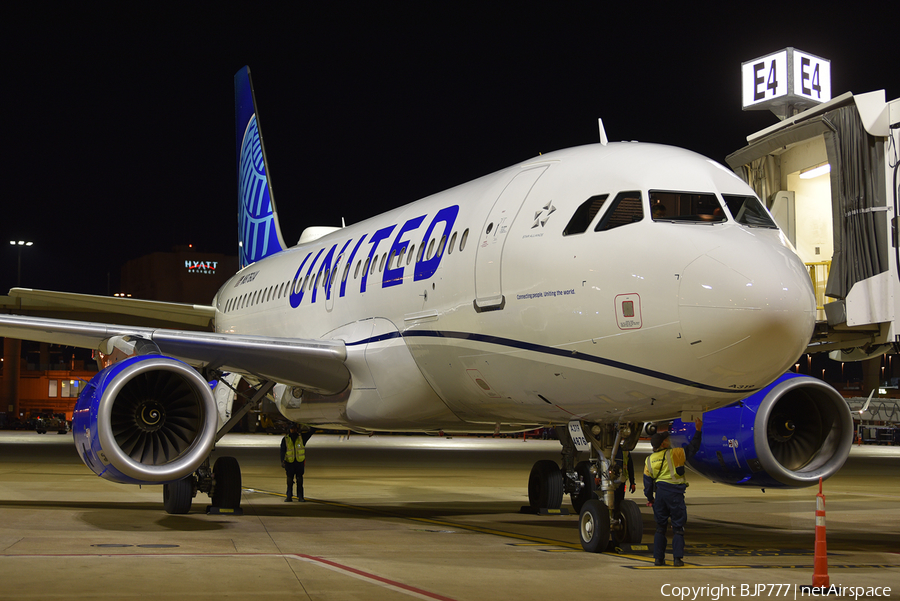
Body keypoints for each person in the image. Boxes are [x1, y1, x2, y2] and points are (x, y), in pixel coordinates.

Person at [643, 419, 702, 566]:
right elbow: (693, 448)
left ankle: (658, 559)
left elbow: (647, 484)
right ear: (663, 444)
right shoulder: (676, 454)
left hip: (660, 495)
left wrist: (651, 499)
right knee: (678, 528)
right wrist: (698, 430)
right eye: (666, 439)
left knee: (660, 528)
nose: (669, 440)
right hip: (675, 494)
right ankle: (677, 559)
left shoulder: (649, 460)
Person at [281, 424, 313, 502]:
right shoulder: (285, 439)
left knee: (299, 480)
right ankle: (289, 496)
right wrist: (282, 460)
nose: (293, 430)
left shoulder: (301, 438)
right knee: (289, 481)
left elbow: (310, 433)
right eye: (292, 429)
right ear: (289, 429)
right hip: (289, 462)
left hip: (299, 462)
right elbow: (282, 451)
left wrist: (313, 426)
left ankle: (300, 497)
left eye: (295, 428)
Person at [613, 440, 635, 509]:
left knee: (619, 501)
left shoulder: (625, 451)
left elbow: (630, 467)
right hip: (610, 479)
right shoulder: (608, 450)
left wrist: (632, 482)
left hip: (621, 480)